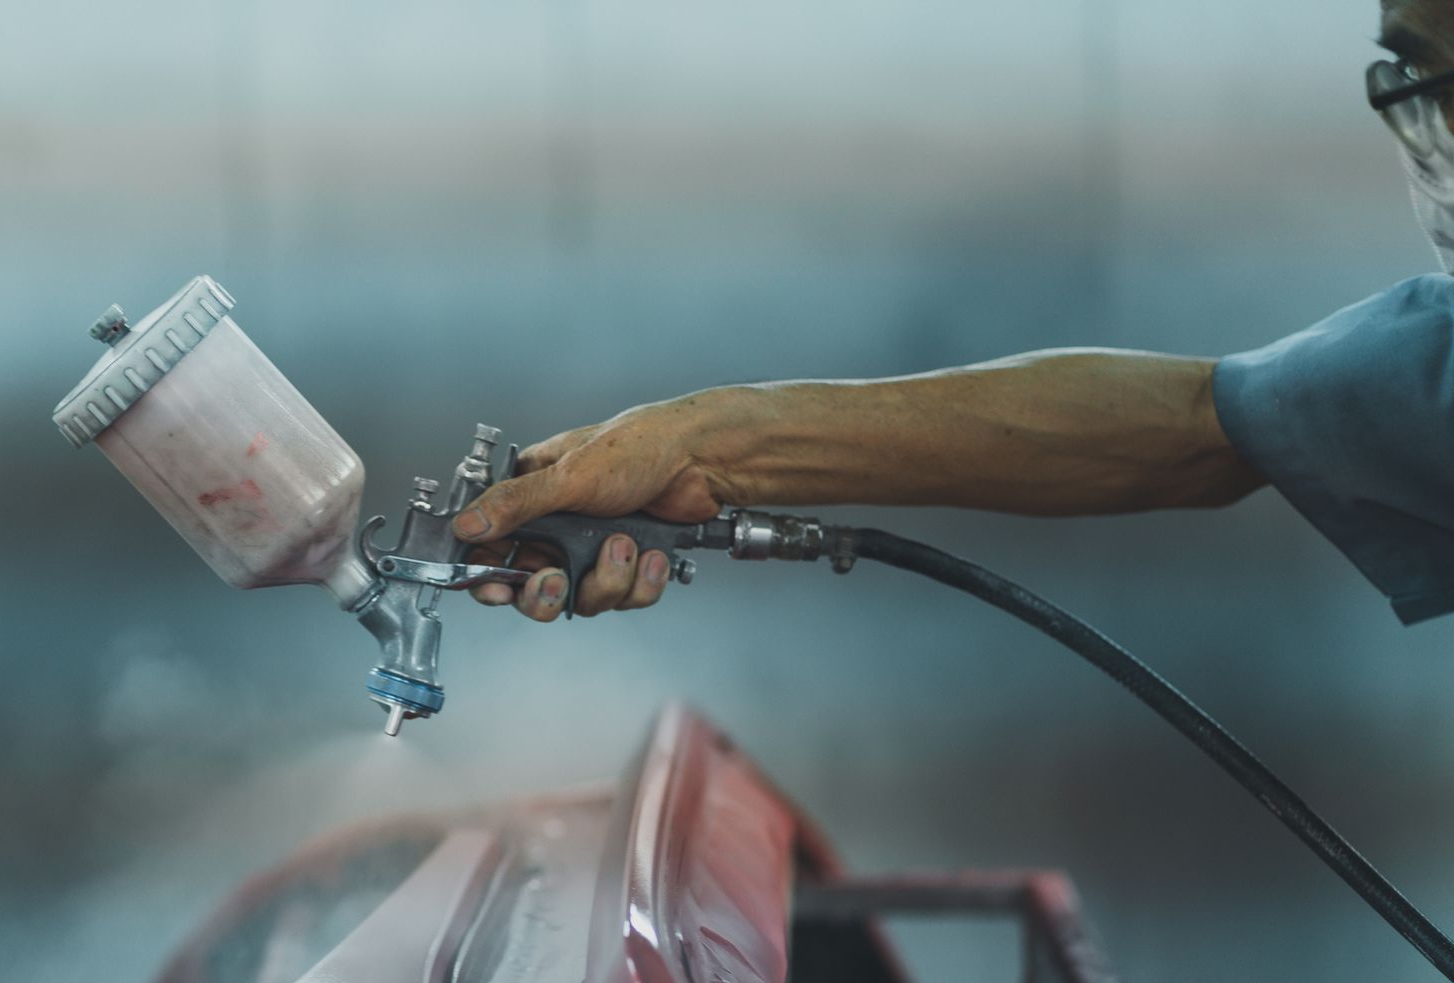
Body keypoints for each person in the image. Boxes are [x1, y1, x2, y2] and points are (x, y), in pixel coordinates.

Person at [456, 1, 1454, 628]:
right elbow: (1193, 428)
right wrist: (695, 451)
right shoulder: (1430, 373)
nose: (1436, 134)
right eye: (1423, 83)